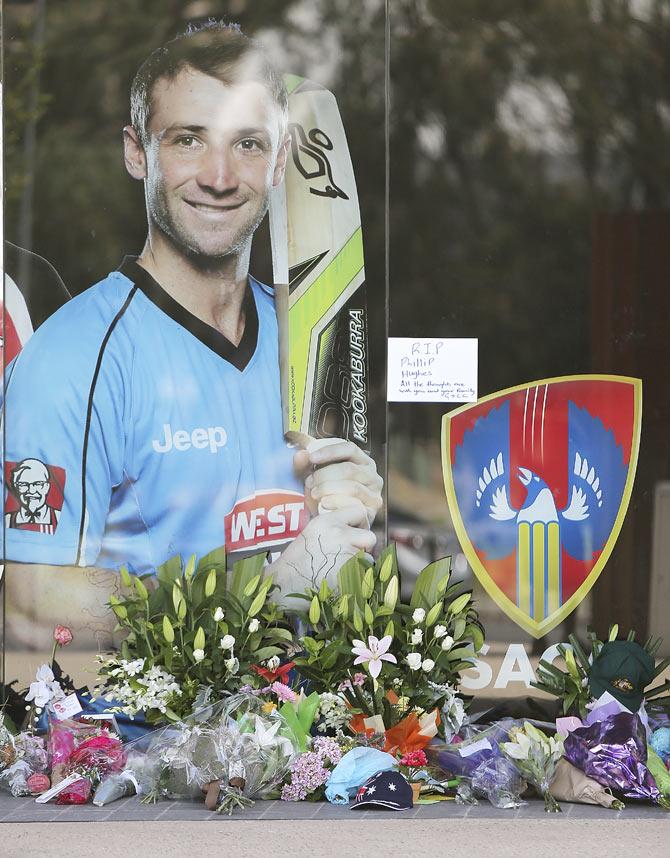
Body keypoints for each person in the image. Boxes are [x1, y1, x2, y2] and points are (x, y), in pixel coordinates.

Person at [3, 23, 382, 647]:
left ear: (280, 160)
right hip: (140, 742)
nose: (219, 176)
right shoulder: (74, 357)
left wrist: (347, 526)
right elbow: (31, 602)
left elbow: (337, 578)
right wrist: (249, 604)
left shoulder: (310, 342)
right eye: (188, 140)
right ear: (137, 152)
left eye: (249, 145)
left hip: (300, 733)